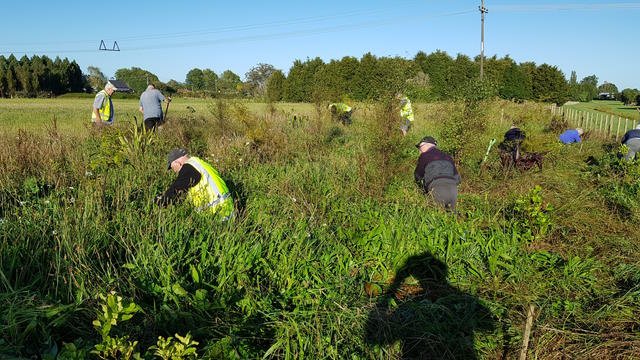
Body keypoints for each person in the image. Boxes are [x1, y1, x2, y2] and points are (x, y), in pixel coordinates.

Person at [156, 148, 234, 221]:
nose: (175, 171)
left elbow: (176, 189)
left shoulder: (188, 168)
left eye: (173, 168)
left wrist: (160, 202)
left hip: (217, 213)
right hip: (227, 209)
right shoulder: (199, 163)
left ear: (177, 163)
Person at [414, 136, 461, 211]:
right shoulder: (447, 156)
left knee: (434, 216)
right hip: (453, 190)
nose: (419, 151)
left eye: (420, 147)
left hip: (436, 188)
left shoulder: (424, 156)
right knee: (451, 217)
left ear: (426, 145)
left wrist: (422, 190)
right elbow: (458, 178)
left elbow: (418, 176)